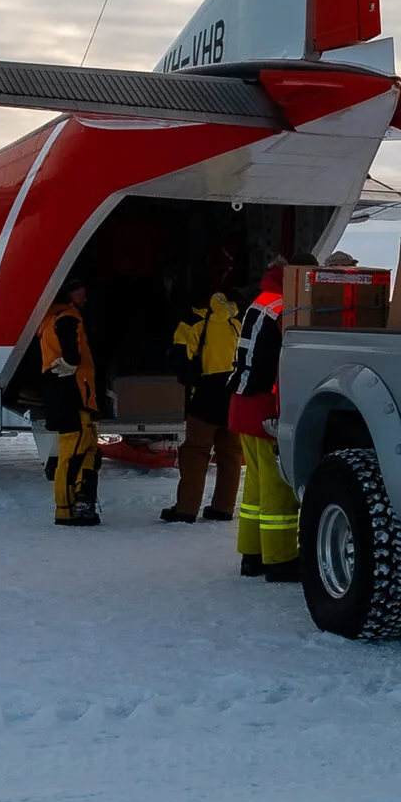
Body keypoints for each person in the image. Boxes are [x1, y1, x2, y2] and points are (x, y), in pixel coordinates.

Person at [228, 256, 306, 580]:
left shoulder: (261, 302)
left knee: (255, 490)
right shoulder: (286, 308)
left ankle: (252, 556)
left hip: (242, 405)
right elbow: (280, 369)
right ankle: (280, 560)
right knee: (278, 489)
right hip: (264, 410)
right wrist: (279, 413)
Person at [163, 248, 244, 523]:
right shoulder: (235, 318)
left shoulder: (194, 320)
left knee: (196, 452)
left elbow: (180, 358)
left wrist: (189, 380)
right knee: (230, 452)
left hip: (207, 392)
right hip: (233, 391)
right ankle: (223, 508)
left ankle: (185, 509)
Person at [37, 281, 102, 526]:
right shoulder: (68, 317)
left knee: (88, 451)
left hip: (68, 395)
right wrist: (72, 361)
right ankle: (67, 508)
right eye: (78, 290)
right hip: (73, 395)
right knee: (74, 453)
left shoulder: (49, 318)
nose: (82, 294)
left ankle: (81, 501)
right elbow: (72, 351)